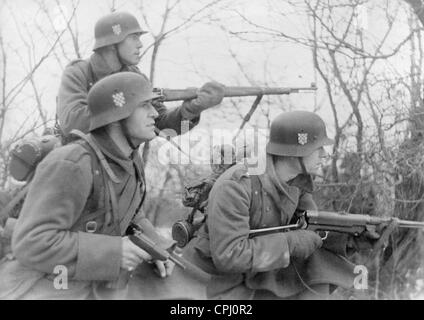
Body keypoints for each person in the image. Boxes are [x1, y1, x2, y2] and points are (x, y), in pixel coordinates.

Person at [0, 72, 175, 299]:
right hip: (43, 285)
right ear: (117, 114)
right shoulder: (73, 162)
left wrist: (156, 249)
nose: (155, 113)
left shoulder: (129, 162)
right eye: (144, 105)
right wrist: (115, 252)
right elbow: (31, 243)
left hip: (94, 283)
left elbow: (132, 216)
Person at [190, 110, 378, 299]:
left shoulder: (296, 184)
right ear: (294, 152)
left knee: (318, 264)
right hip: (213, 280)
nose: (324, 155)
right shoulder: (236, 186)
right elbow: (229, 256)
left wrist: (351, 236)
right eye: (317, 148)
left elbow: (311, 229)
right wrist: (291, 242)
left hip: (258, 273)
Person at [57, 11, 224, 142]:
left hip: (122, 168)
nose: (140, 44)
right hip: (83, 163)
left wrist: (190, 111)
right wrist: (126, 102)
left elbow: (164, 128)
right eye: (133, 37)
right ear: (113, 42)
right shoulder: (78, 72)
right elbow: (73, 124)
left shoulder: (135, 76)